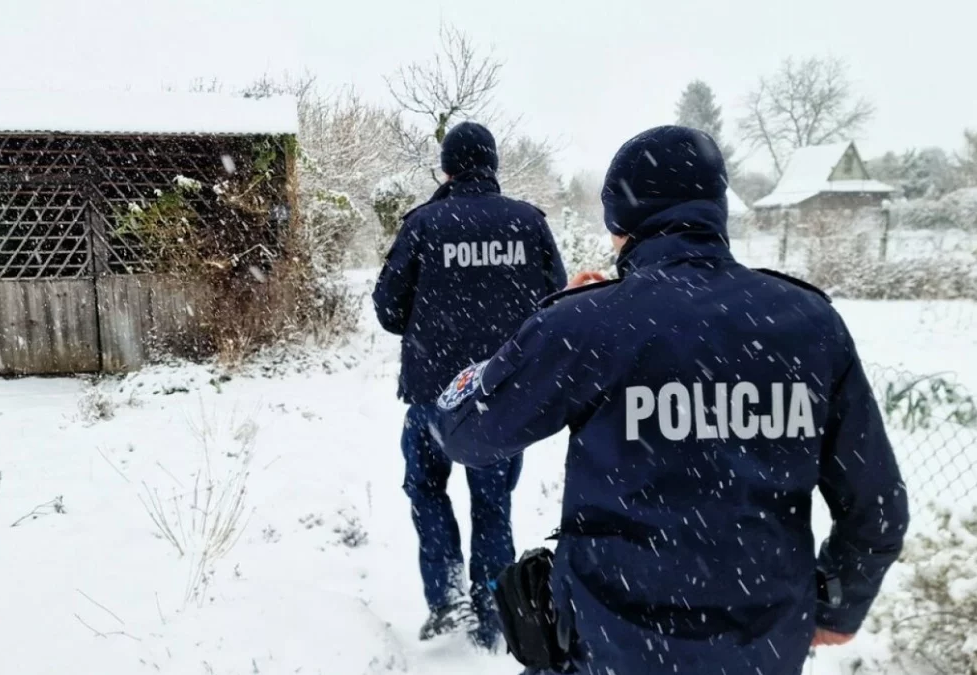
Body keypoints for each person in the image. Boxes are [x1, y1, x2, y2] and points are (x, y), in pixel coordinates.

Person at [434, 126, 909, 674]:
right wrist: (839, 607)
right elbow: (877, 505)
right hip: (762, 650)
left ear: (620, 223)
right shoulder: (810, 323)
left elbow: (466, 431)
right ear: (717, 209)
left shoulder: (589, 325)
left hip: (612, 648)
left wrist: (548, 323)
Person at [373, 121, 568, 649]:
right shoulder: (528, 223)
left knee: (426, 487)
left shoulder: (424, 224)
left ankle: (447, 597)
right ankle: (493, 615)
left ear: (447, 168)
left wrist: (433, 321)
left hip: (434, 392)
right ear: (493, 165)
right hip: (501, 395)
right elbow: (556, 304)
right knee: (493, 504)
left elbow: (388, 309)